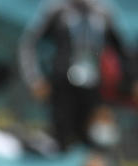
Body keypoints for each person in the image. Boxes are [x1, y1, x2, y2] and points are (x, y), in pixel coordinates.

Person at [19, 0, 138, 151]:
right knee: (61, 138)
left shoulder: (104, 12)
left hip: (94, 89)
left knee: (95, 141)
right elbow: (29, 44)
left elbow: (124, 51)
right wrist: (34, 79)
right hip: (62, 87)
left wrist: (134, 81)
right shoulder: (57, 10)